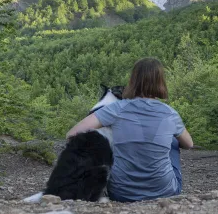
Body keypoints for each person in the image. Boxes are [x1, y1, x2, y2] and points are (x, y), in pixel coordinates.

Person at [66, 58, 193, 202]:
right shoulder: (170, 113)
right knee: (173, 140)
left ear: (133, 80)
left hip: (121, 193)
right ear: (161, 82)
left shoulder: (115, 109)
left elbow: (72, 134)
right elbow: (189, 144)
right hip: (165, 191)